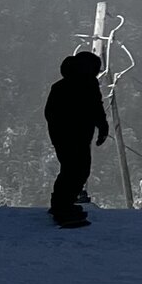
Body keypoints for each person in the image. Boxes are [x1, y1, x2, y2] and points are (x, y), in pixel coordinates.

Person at [43, 49, 108, 226]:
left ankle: (61, 204)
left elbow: (96, 107)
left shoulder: (80, 84)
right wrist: (100, 126)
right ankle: (63, 210)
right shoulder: (71, 86)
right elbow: (52, 114)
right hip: (69, 136)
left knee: (74, 169)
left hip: (74, 135)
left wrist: (102, 126)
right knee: (75, 170)